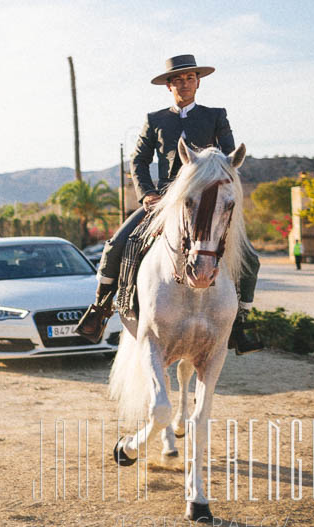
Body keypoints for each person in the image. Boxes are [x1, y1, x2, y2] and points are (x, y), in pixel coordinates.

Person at [74, 54, 263, 355]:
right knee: (117, 244)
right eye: (178, 79)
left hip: (205, 200)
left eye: (190, 78)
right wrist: (147, 193)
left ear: (198, 82)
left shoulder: (216, 116)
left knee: (250, 257)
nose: (184, 84)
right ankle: (100, 307)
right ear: (169, 85)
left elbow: (229, 158)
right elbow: (139, 160)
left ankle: (242, 321)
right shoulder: (156, 120)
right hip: (163, 201)